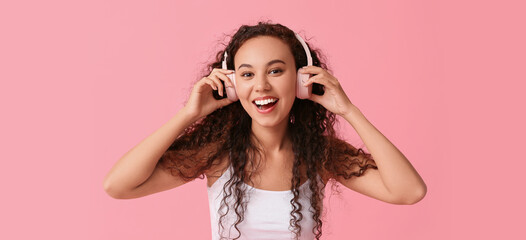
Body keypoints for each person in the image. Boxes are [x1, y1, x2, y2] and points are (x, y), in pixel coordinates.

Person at [103, 21, 427, 240]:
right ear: (231, 85)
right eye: (246, 75)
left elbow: (409, 191)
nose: (261, 86)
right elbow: (118, 185)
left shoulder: (320, 155)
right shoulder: (217, 155)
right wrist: (189, 114)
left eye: (275, 70)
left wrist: (349, 111)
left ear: (301, 80)